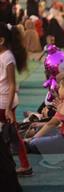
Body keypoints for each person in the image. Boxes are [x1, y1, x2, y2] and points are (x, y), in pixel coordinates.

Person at [0, 22, 32, 175]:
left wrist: (7, 109)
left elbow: (12, 84)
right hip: (3, 100)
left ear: (1, 40)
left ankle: (21, 165)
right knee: (12, 135)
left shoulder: (7, 58)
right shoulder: (2, 55)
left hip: (5, 102)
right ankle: (22, 165)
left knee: (12, 135)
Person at [26, 76, 64, 154]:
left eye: (60, 88)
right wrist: (40, 124)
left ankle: (26, 143)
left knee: (33, 144)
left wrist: (33, 138)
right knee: (40, 130)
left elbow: (52, 123)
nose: (58, 90)